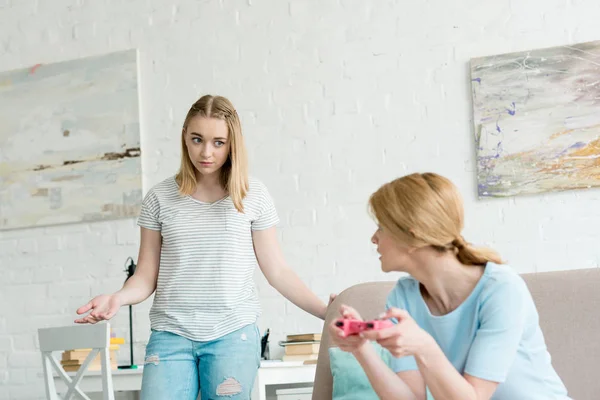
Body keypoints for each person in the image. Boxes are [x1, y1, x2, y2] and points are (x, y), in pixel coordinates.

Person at [75, 94, 330, 400]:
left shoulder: (253, 196)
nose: (206, 152)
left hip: (233, 335)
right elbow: (144, 277)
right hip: (170, 336)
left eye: (218, 142)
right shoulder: (159, 198)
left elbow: (278, 271)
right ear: (185, 137)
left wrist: (326, 312)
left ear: (232, 143)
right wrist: (117, 298)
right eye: (197, 139)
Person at [329, 172, 571, 400]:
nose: (374, 238)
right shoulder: (404, 296)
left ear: (412, 237)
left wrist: (423, 345)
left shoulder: (502, 290)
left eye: (381, 227)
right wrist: (361, 349)